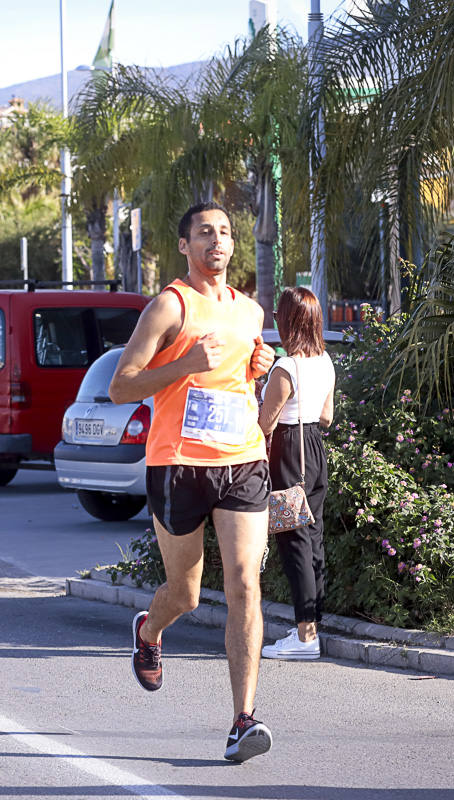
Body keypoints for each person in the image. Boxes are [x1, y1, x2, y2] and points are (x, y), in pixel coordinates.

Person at [109, 201, 276, 763]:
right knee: (184, 592)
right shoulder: (170, 306)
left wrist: (257, 368)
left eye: (225, 232)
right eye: (205, 233)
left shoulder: (250, 311)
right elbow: (122, 386)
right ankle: (151, 631)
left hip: (243, 458)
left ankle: (242, 720)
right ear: (185, 246)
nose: (218, 242)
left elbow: (238, 378)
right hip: (178, 462)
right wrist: (184, 363)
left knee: (244, 584)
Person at [257, 288, 335, 660]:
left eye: (278, 317)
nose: (275, 322)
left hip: (289, 453)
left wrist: (260, 394)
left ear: (289, 322)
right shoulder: (325, 361)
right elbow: (327, 417)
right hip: (315, 451)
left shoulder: (285, 367)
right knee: (312, 536)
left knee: (294, 543)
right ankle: (311, 626)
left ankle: (305, 638)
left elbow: (265, 423)